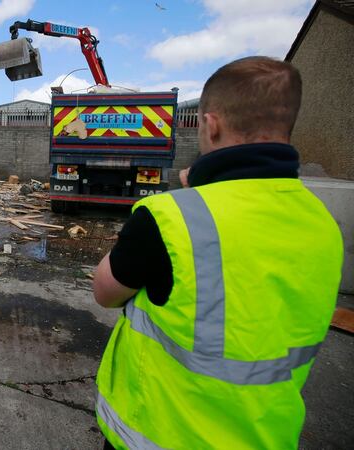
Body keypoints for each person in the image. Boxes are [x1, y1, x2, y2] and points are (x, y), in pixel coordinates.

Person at [91, 56, 344, 449]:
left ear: (211, 125)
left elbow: (105, 292)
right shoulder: (324, 224)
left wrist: (196, 195)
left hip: (160, 433)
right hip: (265, 436)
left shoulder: (172, 217)